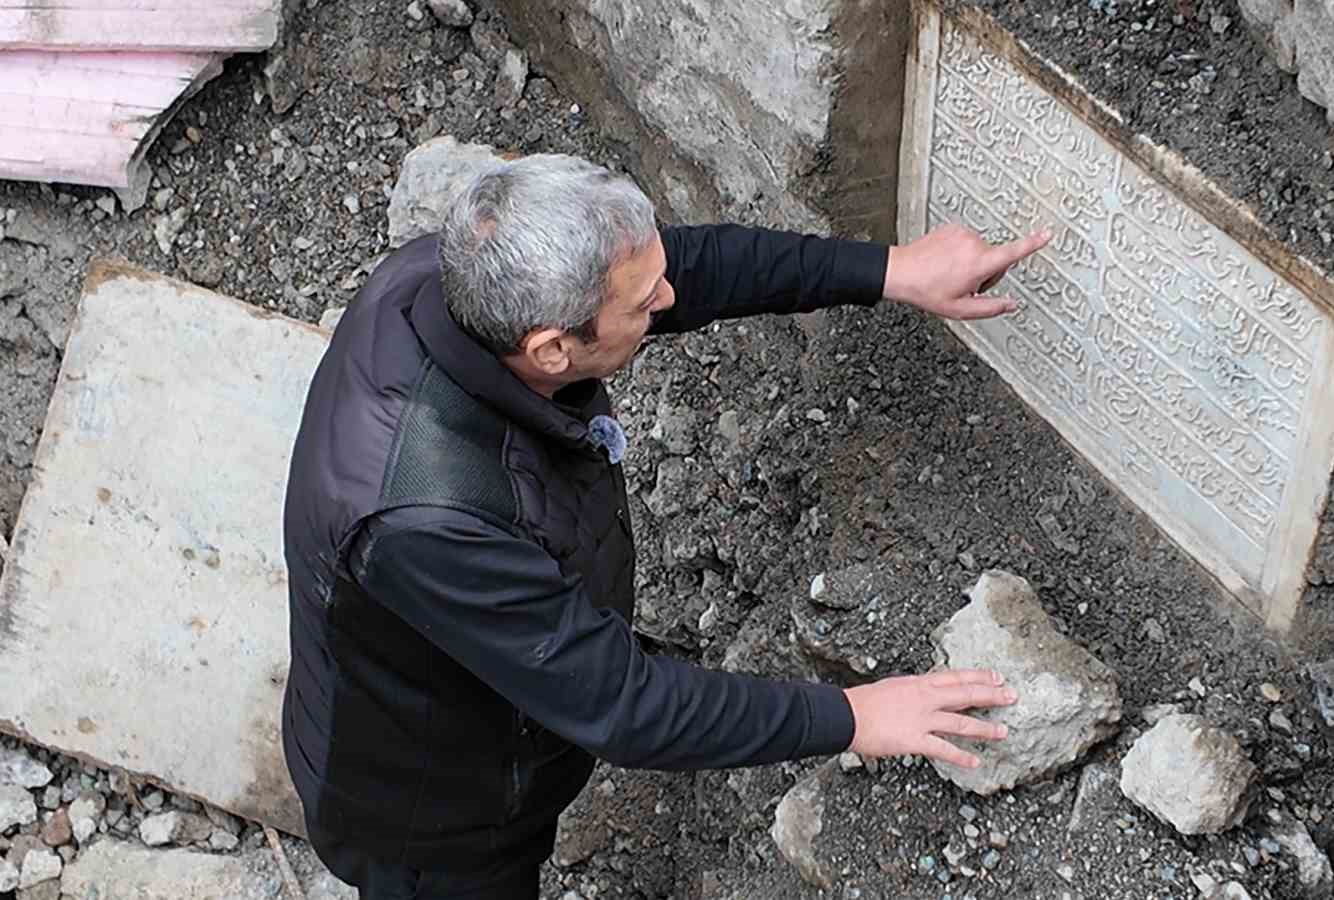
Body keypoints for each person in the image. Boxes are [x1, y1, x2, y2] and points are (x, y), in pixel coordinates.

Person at [279, 153, 1051, 899]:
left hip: (493, 712)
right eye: (644, 303)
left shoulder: (458, 276)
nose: (671, 298)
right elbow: (627, 706)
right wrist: (855, 715)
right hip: (433, 814)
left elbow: (687, 269)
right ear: (552, 349)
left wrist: (892, 270)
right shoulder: (430, 520)